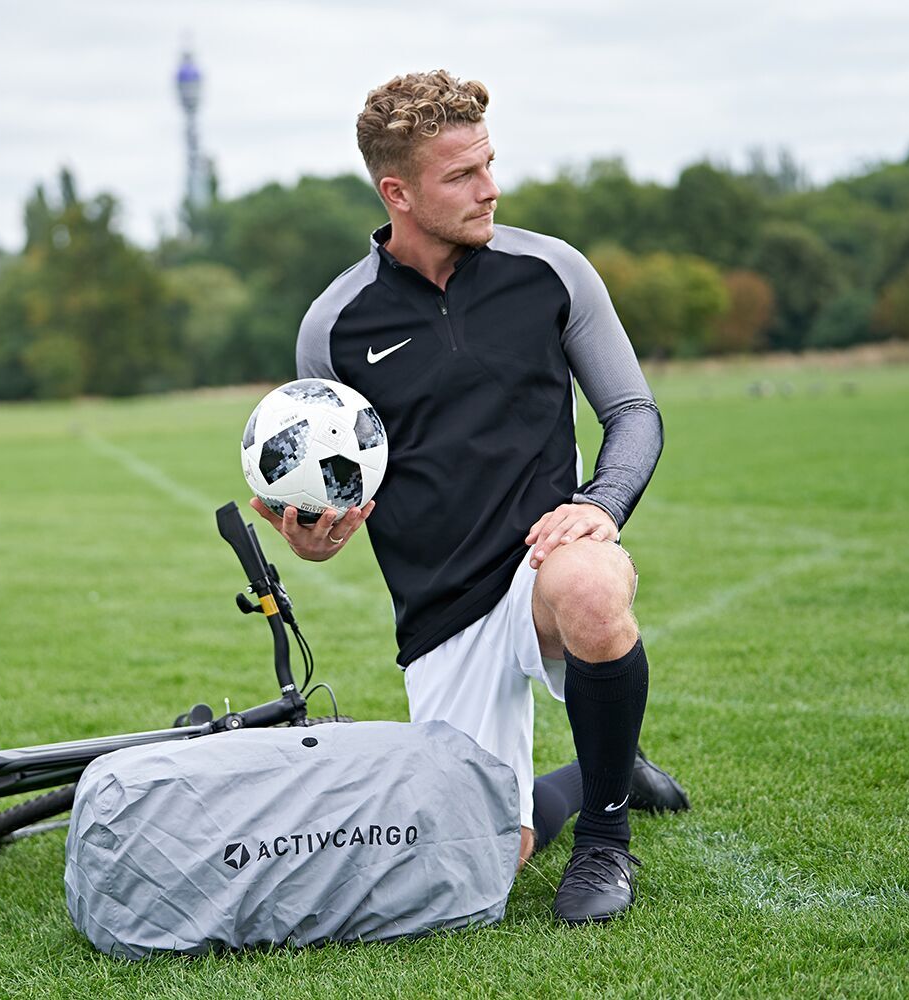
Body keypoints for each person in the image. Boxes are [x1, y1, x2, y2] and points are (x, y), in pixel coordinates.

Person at [251, 70, 689, 924]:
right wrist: (318, 538)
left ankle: (605, 843)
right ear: (398, 193)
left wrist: (600, 506)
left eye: (489, 164)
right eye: (462, 175)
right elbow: (340, 480)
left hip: (542, 564)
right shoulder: (334, 326)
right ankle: (603, 771)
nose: (490, 188)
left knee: (593, 582)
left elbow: (633, 412)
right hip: (442, 608)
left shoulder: (551, 271)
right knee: (484, 861)